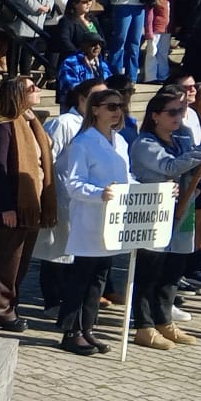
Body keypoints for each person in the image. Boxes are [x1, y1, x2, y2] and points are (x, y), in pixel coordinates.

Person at [130, 87, 201, 348]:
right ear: (155, 115)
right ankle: (144, 325)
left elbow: (191, 174)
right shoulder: (144, 143)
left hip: (184, 210)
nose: (178, 117)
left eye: (181, 112)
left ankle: (164, 319)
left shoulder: (182, 138)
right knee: (150, 271)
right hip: (154, 212)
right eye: (172, 112)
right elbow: (169, 167)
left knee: (173, 270)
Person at [55, 88, 134, 355]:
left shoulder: (120, 141)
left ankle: (87, 327)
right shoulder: (82, 143)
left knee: (100, 277)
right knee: (82, 277)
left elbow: (127, 178)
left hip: (112, 221)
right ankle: (70, 331)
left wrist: (153, 189)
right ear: (95, 109)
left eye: (120, 106)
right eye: (111, 106)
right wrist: (98, 193)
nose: (116, 111)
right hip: (90, 217)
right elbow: (73, 183)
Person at [0, 77, 57, 331]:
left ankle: (11, 305)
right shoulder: (2, 126)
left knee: (21, 262)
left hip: (33, 203)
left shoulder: (32, 123)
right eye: (31, 88)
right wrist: (6, 208)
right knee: (8, 260)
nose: (37, 90)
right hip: (13, 205)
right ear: (17, 95)